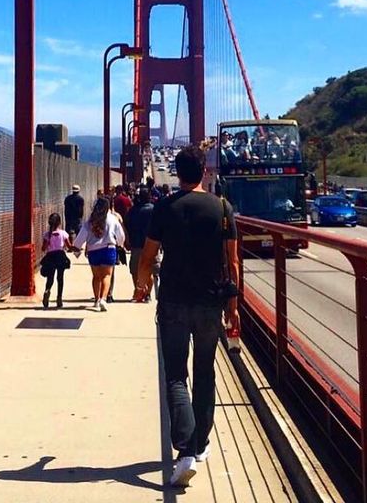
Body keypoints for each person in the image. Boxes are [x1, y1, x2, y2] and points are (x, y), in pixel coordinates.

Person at [135, 145, 239, 488]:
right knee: (205, 371)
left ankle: (185, 451)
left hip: (174, 303)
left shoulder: (165, 207)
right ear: (204, 172)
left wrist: (142, 283)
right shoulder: (223, 208)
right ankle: (201, 444)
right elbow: (233, 262)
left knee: (176, 376)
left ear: (178, 173)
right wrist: (233, 307)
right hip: (210, 303)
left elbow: (148, 256)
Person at [74, 196, 125, 312]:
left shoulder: (90, 221)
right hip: (108, 249)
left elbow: (81, 237)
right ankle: (103, 299)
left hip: (93, 251)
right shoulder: (112, 219)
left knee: (96, 277)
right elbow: (121, 235)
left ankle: (96, 300)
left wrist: (76, 248)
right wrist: (120, 244)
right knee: (106, 276)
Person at [125, 187, 156, 300]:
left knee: (135, 270)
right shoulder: (154, 209)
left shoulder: (133, 210)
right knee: (150, 271)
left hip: (136, 244)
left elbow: (127, 225)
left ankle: (138, 291)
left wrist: (127, 240)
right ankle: (147, 293)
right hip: (152, 244)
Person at [40, 213, 72, 309]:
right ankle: (59, 298)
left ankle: (47, 290)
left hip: (50, 256)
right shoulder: (63, 233)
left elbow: (43, 248)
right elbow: (69, 246)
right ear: (59, 223)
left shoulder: (47, 235)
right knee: (60, 278)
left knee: (50, 277)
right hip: (60, 256)